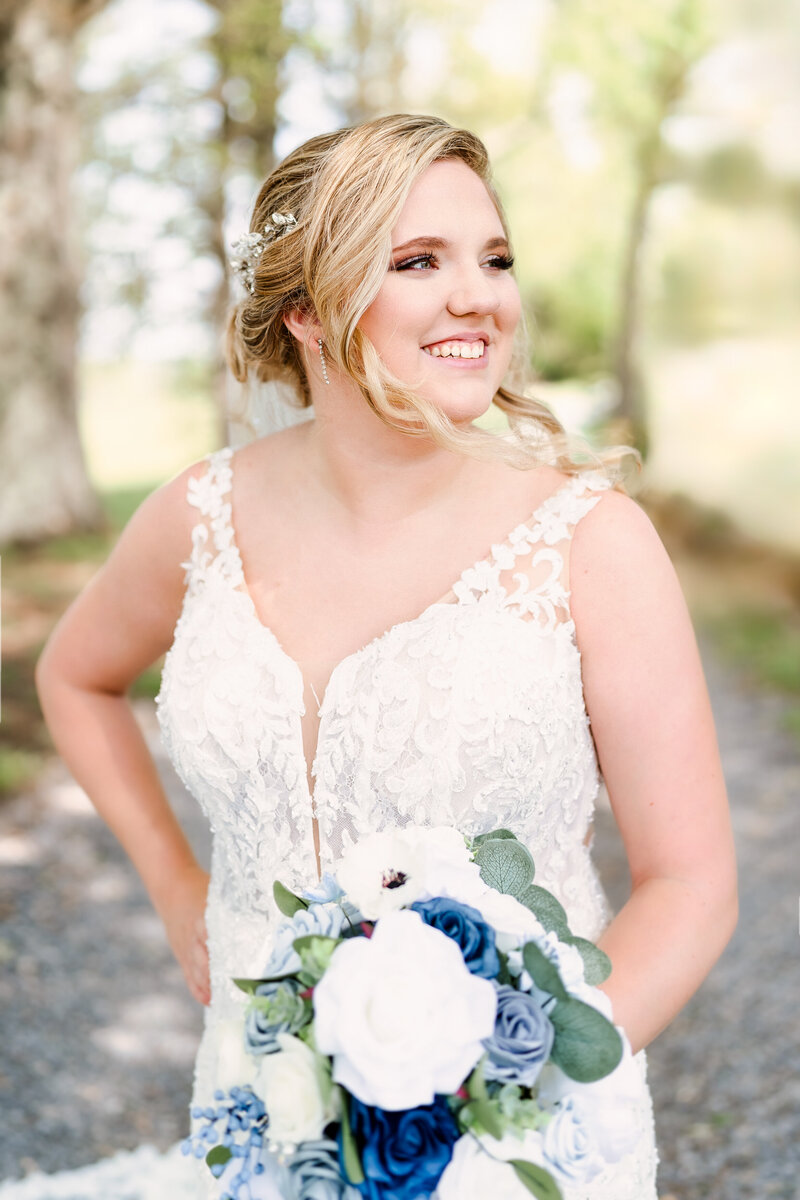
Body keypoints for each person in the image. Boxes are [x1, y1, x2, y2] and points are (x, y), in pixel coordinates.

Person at [32, 114, 737, 1200]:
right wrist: (180, 890)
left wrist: (512, 1097)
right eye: (418, 262)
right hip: (257, 1115)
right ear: (308, 309)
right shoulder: (198, 514)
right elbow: (73, 677)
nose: (479, 297)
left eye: (493, 259)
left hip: (513, 1141)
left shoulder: (587, 543)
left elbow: (688, 883)